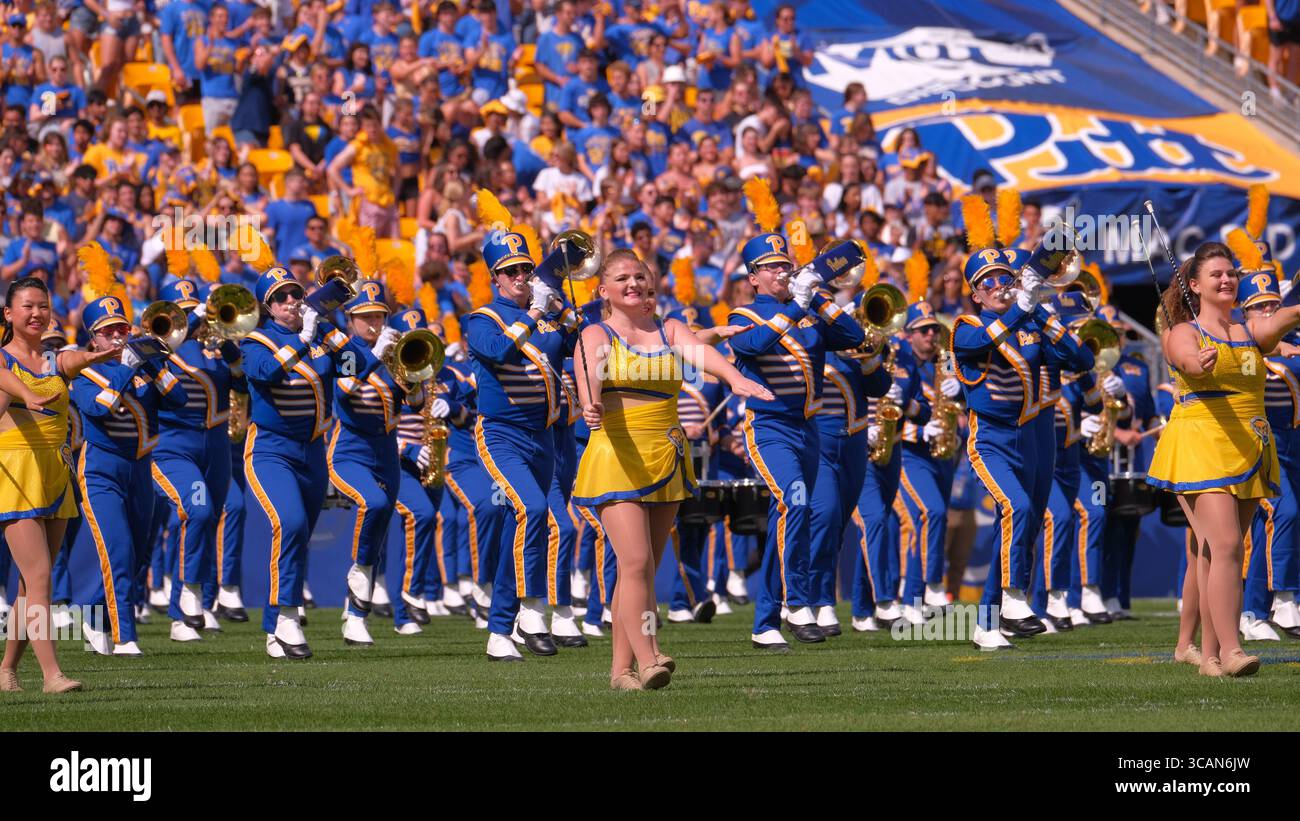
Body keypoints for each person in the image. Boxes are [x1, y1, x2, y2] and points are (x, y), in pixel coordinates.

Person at [573, 248, 771, 688]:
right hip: (616, 454)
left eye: (640, 276)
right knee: (637, 560)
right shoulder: (595, 333)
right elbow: (590, 371)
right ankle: (649, 656)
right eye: (623, 278)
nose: (634, 284)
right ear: (603, 291)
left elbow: (699, 354)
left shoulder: (670, 328)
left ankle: (619, 671)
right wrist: (589, 403)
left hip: (665, 454)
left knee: (638, 569)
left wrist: (734, 378)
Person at [1148, 240, 1300, 677]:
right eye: (1216, 274)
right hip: (1200, 444)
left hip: (1250, 446)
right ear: (1194, 285)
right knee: (1227, 545)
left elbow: (1283, 319)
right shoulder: (1184, 331)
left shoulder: (1250, 330)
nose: (1226, 279)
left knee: (1218, 553)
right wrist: (1200, 362)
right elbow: (1186, 360)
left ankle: (1208, 657)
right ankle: (1233, 651)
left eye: (1231, 273)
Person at [727, 184, 866, 651]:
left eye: (786, 264)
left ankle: (765, 621)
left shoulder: (807, 308)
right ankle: (795, 601)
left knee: (792, 513)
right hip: (768, 427)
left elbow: (854, 336)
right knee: (797, 502)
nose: (783, 272)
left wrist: (817, 296)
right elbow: (751, 346)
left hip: (808, 428)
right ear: (753, 277)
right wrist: (795, 305)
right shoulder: (744, 311)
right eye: (772, 267)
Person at [952, 202, 1093, 651]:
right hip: (992, 438)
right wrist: (1022, 310)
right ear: (975, 293)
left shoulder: (1031, 319)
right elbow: (978, 344)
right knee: (1017, 508)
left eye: (1006, 279)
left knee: (1023, 522)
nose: (999, 286)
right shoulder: (966, 324)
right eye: (987, 282)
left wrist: (1043, 315)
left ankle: (988, 622)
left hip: (1037, 436)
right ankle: (1015, 599)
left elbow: (1081, 360)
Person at [241, 264, 378, 659]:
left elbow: (358, 367)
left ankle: (275, 626)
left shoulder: (319, 337)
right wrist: (304, 336)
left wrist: (333, 332)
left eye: (296, 294)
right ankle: (287, 615)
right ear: (268, 306)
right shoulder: (256, 340)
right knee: (291, 523)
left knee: (298, 537)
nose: (292, 302)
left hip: (312, 449)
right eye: (281, 297)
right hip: (271, 447)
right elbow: (266, 373)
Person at [464, 229, 577, 662]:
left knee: (523, 526)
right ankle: (531, 610)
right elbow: (500, 354)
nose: (520, 276)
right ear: (496, 277)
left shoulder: (544, 315)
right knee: (533, 510)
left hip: (544, 436)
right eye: (511, 271)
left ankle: (498, 630)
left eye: (526, 269)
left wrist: (566, 309)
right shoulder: (482, 318)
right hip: (500, 434)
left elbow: (576, 345)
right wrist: (534, 312)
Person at [0, 277, 115, 694]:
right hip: (15, 474)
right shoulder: (2, 361)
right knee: (41, 575)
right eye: (27, 306)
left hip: (56, 472)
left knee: (31, 585)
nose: (37, 313)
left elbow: (72, 361)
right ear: (9, 314)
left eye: (43, 306)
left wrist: (104, 353)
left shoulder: (52, 359)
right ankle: (52, 675)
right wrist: (24, 396)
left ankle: (6, 669)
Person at [73, 291, 190, 657]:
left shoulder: (143, 365)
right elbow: (100, 407)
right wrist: (127, 366)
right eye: (108, 331)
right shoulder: (83, 369)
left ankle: (93, 615)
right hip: (101, 471)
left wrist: (154, 363)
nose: (117, 335)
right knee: (120, 552)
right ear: (94, 338)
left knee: (139, 556)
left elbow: (180, 400)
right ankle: (125, 638)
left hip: (141, 467)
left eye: (122, 327)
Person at [150, 277, 245, 642]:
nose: (193, 320)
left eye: (195, 312)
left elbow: (244, 385)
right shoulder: (158, 349)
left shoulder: (217, 348)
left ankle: (192, 604)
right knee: (198, 511)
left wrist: (231, 347)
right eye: (184, 313)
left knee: (206, 521)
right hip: (175, 447)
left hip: (216, 447)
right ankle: (185, 595)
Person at [329, 279, 410, 646]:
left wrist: (416, 375)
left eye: (379, 316)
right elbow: (346, 394)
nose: (374, 323)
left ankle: (356, 613)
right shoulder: (347, 350)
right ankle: (358, 584)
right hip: (350, 448)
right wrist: (376, 352)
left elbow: (418, 404)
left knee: (378, 529)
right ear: (351, 319)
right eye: (366, 317)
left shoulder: (393, 354)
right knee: (373, 503)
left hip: (387, 450)